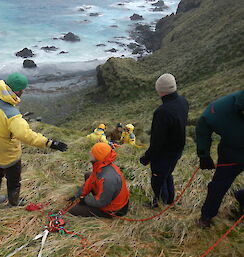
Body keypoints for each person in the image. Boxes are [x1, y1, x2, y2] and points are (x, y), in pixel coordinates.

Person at [0, 73, 68, 208]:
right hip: (9, 154)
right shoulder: (12, 115)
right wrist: (50, 143)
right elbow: (26, 135)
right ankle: (14, 203)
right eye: (23, 90)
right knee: (13, 180)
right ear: (18, 91)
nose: (23, 92)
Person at [196, 90, 244, 228]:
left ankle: (241, 198)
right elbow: (203, 125)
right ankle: (206, 216)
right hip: (231, 155)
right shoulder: (222, 108)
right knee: (217, 187)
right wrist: (203, 154)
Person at [140, 73, 189, 208]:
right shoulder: (183, 102)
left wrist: (146, 157)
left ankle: (159, 205)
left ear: (160, 90)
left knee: (158, 179)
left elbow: (157, 141)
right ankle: (169, 201)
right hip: (177, 150)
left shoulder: (162, 112)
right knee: (167, 174)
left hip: (164, 153)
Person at [68, 142, 129, 218]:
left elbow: (101, 202)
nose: (90, 152)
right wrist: (78, 195)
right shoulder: (101, 165)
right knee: (88, 175)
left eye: (93, 152)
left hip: (114, 209)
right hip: (107, 198)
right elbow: (90, 181)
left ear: (98, 157)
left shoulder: (108, 178)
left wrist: (85, 200)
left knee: (72, 210)